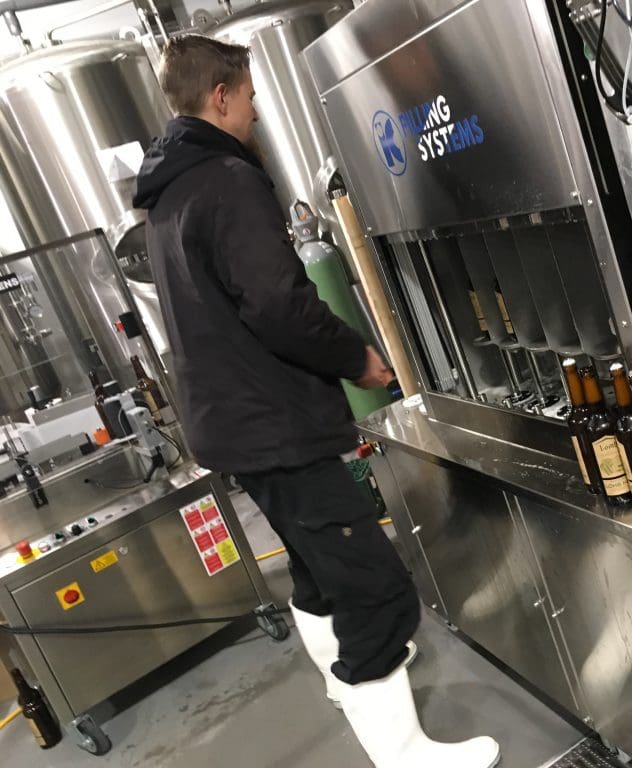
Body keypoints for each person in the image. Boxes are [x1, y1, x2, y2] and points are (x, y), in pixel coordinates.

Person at [132, 35, 499, 768]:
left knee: (313, 567)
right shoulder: (228, 181)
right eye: (250, 96)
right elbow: (279, 304)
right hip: (273, 425)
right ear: (220, 97)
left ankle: (344, 682)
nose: (257, 111)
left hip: (233, 425)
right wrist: (356, 357)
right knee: (375, 588)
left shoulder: (168, 192)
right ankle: (402, 751)